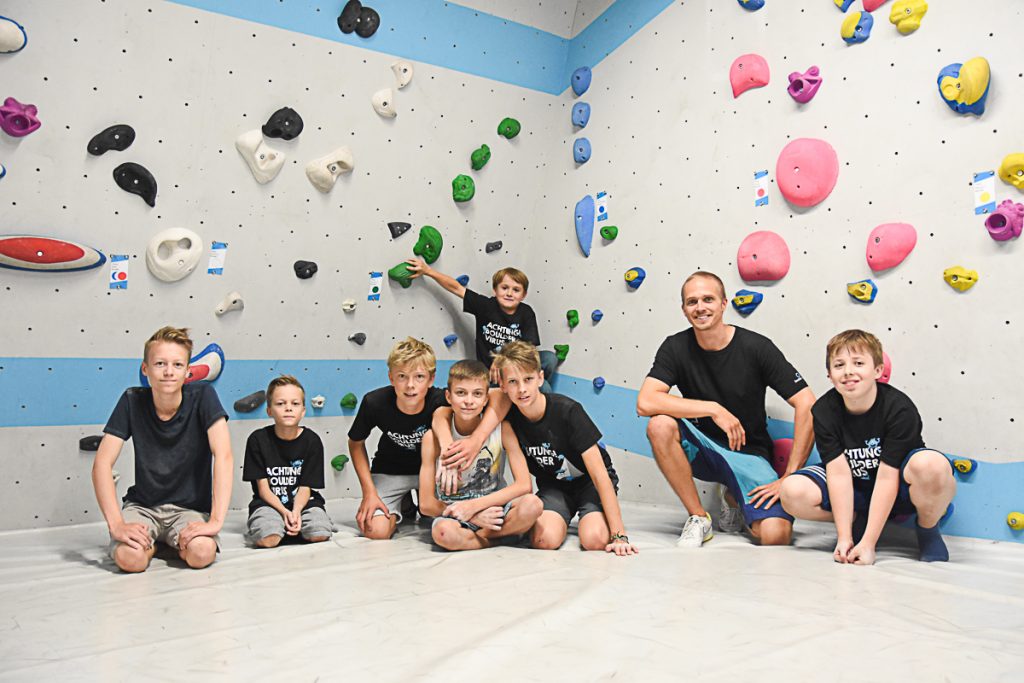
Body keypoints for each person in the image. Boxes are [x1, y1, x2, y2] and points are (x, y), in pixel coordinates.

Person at [637, 271, 815, 547]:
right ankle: (699, 517)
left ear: (723, 304)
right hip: (702, 448)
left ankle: (734, 498)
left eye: (708, 299)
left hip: (749, 453)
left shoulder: (757, 347)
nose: (700, 308)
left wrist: (790, 476)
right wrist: (713, 409)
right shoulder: (675, 347)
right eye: (692, 302)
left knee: (776, 536)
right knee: (659, 424)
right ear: (684, 310)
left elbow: (806, 402)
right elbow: (646, 402)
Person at [780, 330, 957, 564]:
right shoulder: (823, 411)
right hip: (855, 488)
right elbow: (839, 474)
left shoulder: (899, 409)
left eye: (859, 363)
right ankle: (857, 521)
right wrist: (845, 538)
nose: (848, 371)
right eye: (839, 365)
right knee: (792, 491)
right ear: (829, 375)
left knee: (932, 466)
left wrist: (868, 544)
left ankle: (927, 528)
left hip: (898, 485)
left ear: (878, 370)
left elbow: (886, 477)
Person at [91, 326, 232, 572]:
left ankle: (169, 542)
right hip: (144, 507)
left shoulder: (204, 396)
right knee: (130, 560)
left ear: (188, 372)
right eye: (159, 364)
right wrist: (116, 525)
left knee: (201, 554)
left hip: (188, 509)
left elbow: (224, 456)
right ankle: (156, 545)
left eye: (177, 365)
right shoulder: (132, 400)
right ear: (145, 369)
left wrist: (216, 522)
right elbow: (102, 464)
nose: (168, 372)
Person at [495, 341, 638, 556]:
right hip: (555, 487)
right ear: (503, 385)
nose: (522, 389)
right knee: (544, 540)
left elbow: (600, 476)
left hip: (590, 482)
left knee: (594, 539)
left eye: (528, 379)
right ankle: (562, 513)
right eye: (513, 382)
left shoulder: (568, 411)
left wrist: (619, 535)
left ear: (540, 378)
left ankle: (592, 515)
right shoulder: (511, 421)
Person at [418, 360, 543, 550]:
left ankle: (476, 538)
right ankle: (494, 539)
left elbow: (524, 485)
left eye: (477, 394)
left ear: (486, 400)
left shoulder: (503, 430)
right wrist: (469, 514)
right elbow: (426, 504)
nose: (469, 401)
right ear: (448, 397)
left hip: (494, 507)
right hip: (453, 512)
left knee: (533, 505)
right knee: (443, 533)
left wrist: (475, 506)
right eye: (461, 393)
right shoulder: (432, 438)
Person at [405, 260, 556, 387]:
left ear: (523, 295)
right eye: (504, 288)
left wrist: (503, 360)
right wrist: (428, 271)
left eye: (516, 290)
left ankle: (527, 392)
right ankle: (525, 391)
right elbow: (456, 287)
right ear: (495, 290)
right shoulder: (485, 306)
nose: (509, 293)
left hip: (516, 366)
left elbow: (529, 348)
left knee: (549, 359)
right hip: (492, 373)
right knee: (542, 388)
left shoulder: (526, 312)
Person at [243, 375, 333, 548]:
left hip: (305, 503)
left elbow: (306, 487)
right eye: (280, 403)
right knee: (268, 539)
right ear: (269, 410)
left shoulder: (312, 441)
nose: (288, 408)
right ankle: (276, 526)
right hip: (269, 503)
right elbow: (263, 490)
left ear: (303, 411)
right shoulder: (257, 440)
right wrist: (285, 512)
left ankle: (301, 525)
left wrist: (296, 512)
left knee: (319, 534)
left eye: (295, 404)